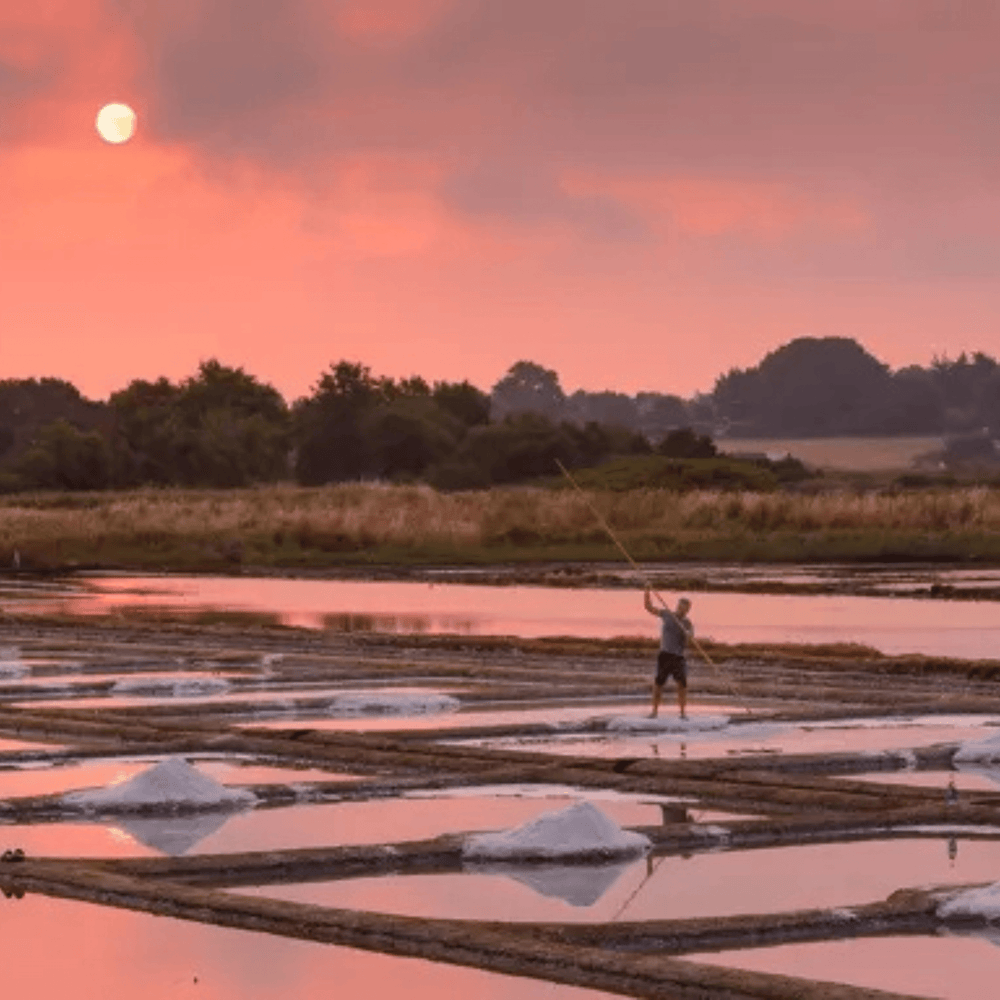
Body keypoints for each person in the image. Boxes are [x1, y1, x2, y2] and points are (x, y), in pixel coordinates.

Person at [643, 588, 693, 719]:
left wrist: (688, 635)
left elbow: (690, 640)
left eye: (685, 609)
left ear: (688, 610)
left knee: (682, 685)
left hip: (678, 657)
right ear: (678, 607)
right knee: (658, 684)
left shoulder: (687, 623)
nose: (683, 610)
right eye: (681, 607)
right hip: (665, 655)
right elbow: (648, 607)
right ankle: (654, 712)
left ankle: (682, 713)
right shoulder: (667, 614)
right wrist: (647, 592)